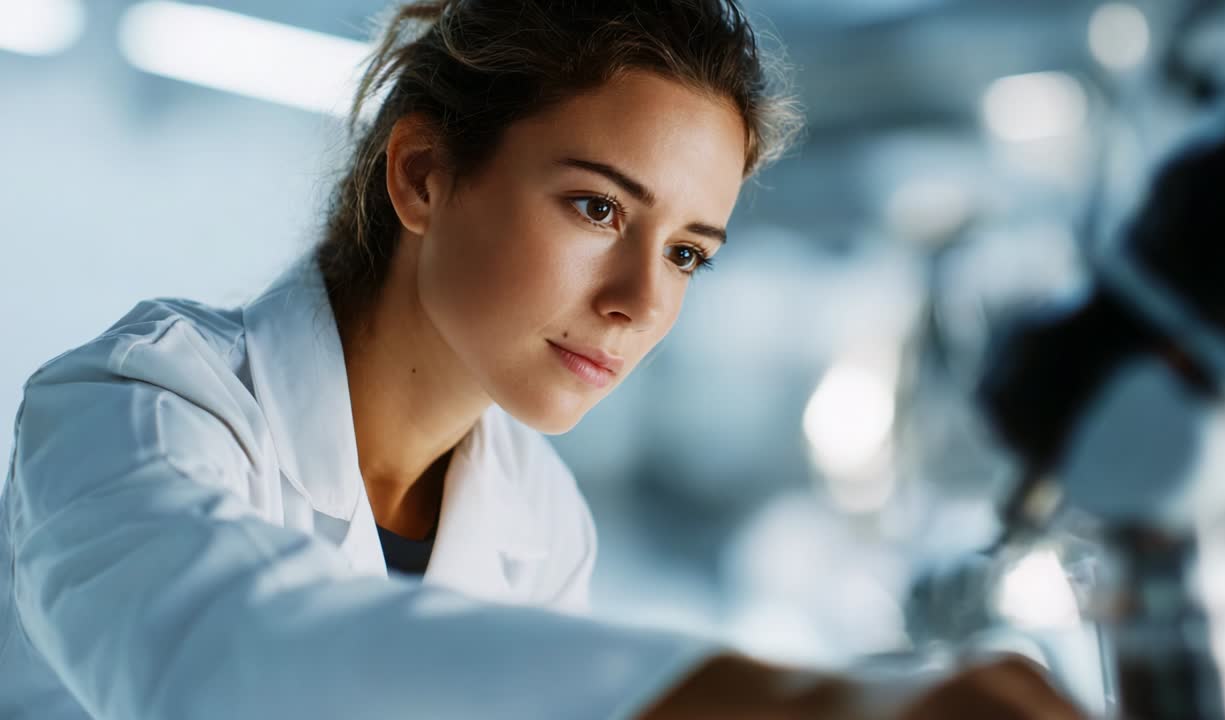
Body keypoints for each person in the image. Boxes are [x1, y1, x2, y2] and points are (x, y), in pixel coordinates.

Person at [0, 1, 1082, 717]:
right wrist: (810, 705)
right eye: (595, 207)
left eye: (688, 253)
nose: (638, 302)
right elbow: (231, 657)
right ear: (422, 174)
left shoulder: (534, 517)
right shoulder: (136, 410)